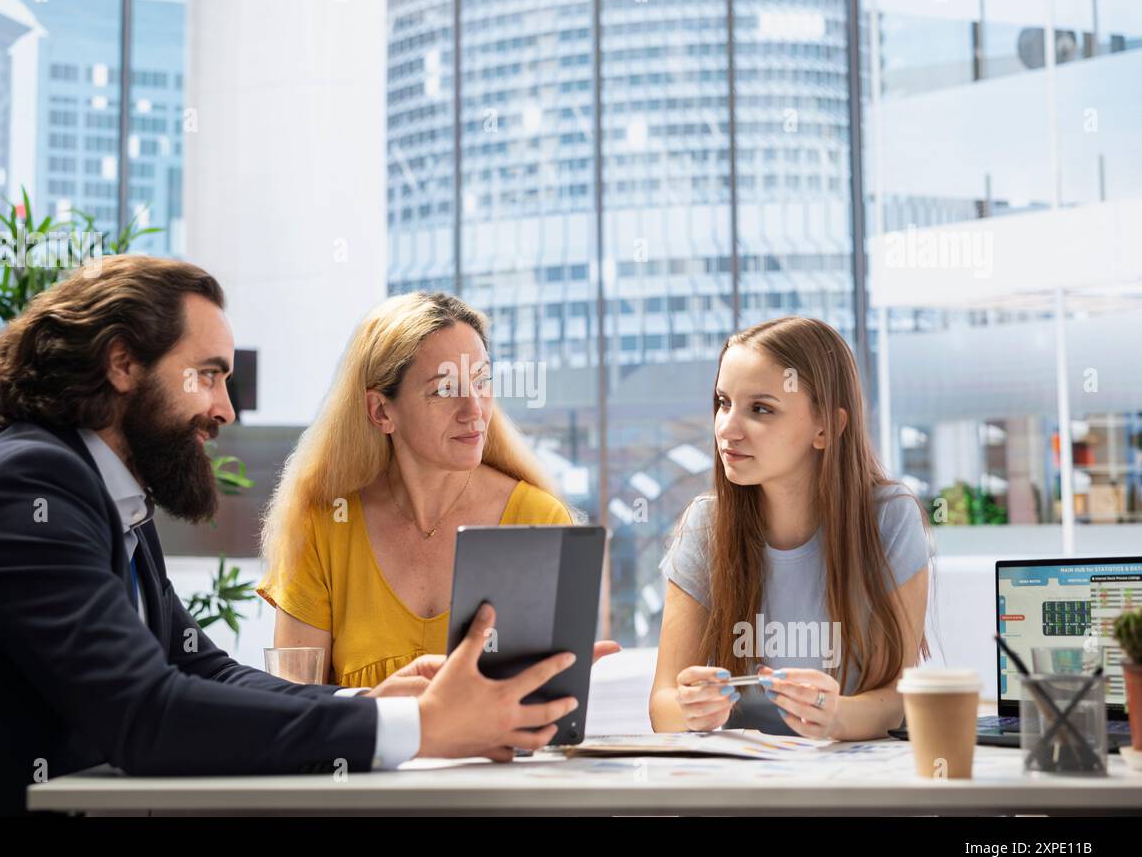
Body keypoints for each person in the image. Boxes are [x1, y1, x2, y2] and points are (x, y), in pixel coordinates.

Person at [0, 256, 578, 816]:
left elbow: (204, 671)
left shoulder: (108, 500)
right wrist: (419, 727)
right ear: (123, 363)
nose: (225, 409)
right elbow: (148, 714)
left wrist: (368, 710)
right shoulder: (28, 486)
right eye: (208, 375)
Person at [258, 291, 620, 687]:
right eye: (445, 389)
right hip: (363, 753)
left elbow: (549, 713)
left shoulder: (537, 519)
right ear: (381, 411)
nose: (474, 409)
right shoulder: (323, 526)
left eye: (481, 382)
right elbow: (296, 707)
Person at [649, 315, 933, 740]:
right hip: (743, 785)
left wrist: (835, 715)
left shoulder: (888, 517)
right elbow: (663, 704)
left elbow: (898, 698)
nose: (727, 428)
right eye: (723, 403)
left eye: (760, 409)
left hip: (851, 783)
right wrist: (691, 709)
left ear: (827, 427)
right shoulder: (704, 526)